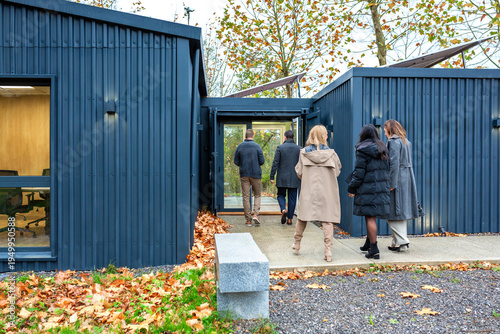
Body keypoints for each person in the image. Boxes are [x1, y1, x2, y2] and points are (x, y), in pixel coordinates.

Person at [292, 125, 342, 262]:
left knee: (302, 216)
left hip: (309, 189)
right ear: (324, 136)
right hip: (327, 191)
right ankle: (328, 251)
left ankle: (297, 245)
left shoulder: (304, 153)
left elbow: (299, 172)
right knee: (327, 220)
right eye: (326, 134)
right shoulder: (332, 154)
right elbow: (337, 172)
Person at [347, 124, 390, 259]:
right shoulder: (382, 148)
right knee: (371, 215)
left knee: (370, 217)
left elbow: (359, 172)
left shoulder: (362, 149)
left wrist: (352, 188)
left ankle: (374, 249)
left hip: (367, 188)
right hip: (381, 188)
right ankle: (368, 243)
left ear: (363, 135)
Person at [380, 119, 420, 252]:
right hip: (407, 177)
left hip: (398, 178)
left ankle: (402, 241)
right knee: (400, 210)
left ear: (390, 129)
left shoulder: (394, 142)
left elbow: (394, 163)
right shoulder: (405, 141)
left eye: (385, 129)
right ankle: (396, 242)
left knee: (392, 209)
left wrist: (391, 183)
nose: (384, 132)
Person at [234, 129, 265, 227]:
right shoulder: (257, 146)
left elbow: (236, 161)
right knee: (257, 195)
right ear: (253, 136)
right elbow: (262, 161)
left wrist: (243, 165)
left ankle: (248, 220)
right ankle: (255, 214)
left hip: (244, 174)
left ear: (245, 136)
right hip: (256, 174)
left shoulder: (240, 146)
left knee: (246, 196)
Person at [270, 130, 301, 225]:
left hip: (282, 177)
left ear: (285, 137)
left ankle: (283, 209)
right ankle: (290, 219)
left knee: (280, 195)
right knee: (292, 198)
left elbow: (275, 163)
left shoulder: (280, 147)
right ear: (293, 137)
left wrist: (272, 176)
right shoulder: (299, 149)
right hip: (294, 177)